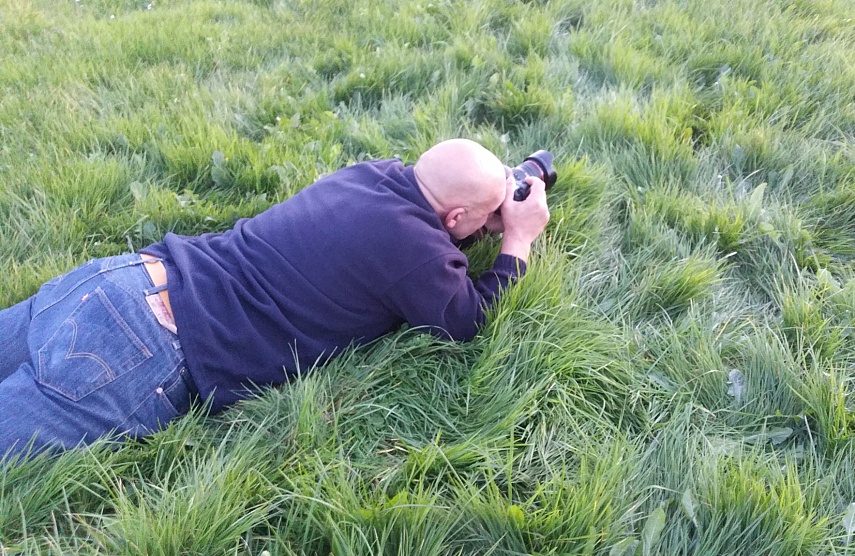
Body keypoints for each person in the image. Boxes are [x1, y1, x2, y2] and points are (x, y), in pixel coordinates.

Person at [0, 138, 551, 457]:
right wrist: (517, 240)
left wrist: (478, 211)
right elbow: (463, 320)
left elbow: (414, 229)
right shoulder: (418, 255)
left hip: (122, 278)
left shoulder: (371, 175)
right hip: (140, 350)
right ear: (454, 218)